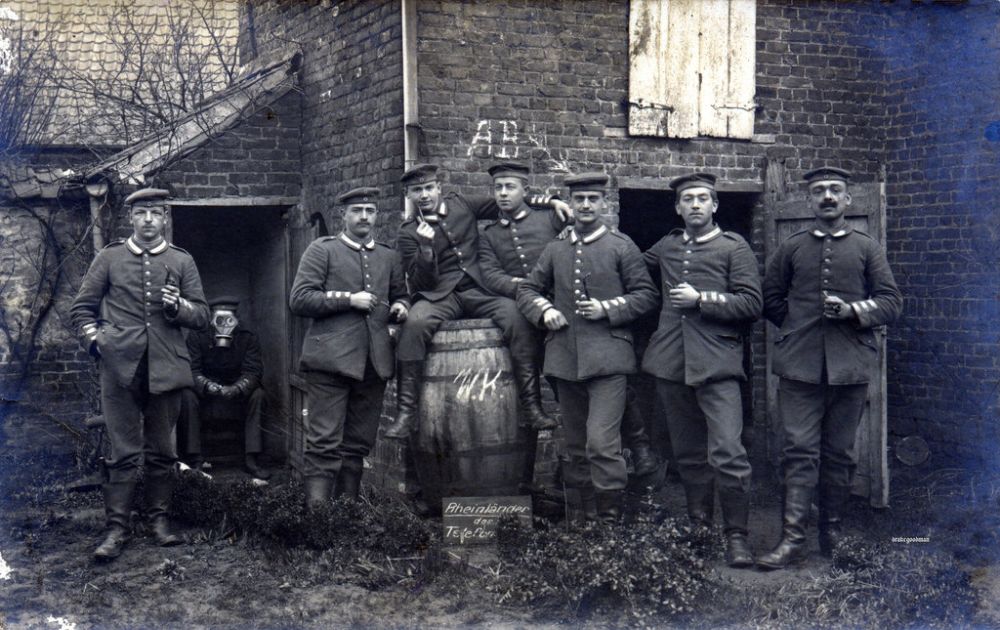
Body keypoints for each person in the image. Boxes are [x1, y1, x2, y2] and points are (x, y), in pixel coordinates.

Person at [758, 167, 902, 569]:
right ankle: (792, 540)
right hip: (799, 367)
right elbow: (770, 298)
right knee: (799, 450)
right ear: (809, 200)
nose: (827, 196)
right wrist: (796, 328)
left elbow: (891, 302)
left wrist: (854, 311)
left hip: (849, 365)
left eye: (835, 190)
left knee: (840, 453)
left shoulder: (866, 248)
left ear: (847, 200)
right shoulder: (791, 247)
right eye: (819, 190)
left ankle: (832, 534)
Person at [70, 187, 210, 561]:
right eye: (141, 214)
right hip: (120, 369)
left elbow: (202, 315)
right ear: (130, 218)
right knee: (123, 451)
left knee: (163, 450)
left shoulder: (181, 260)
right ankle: (117, 529)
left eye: (155, 213)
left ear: (165, 218)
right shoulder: (110, 257)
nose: (148, 220)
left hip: (167, 366)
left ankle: (158, 522)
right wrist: (98, 343)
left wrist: (178, 307)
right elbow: (81, 309)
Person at [383, 163, 571, 440]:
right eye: (416, 190)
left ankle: (531, 407)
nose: (424, 195)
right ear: (408, 195)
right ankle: (406, 414)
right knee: (415, 324)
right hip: (441, 295)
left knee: (517, 318)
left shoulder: (462, 205)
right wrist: (425, 248)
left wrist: (552, 201)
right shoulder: (408, 231)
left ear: (439, 187)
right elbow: (422, 283)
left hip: (480, 289)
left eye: (428, 188)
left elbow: (507, 200)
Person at [517, 173, 658, 522]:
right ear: (571, 203)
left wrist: (607, 308)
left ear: (603, 203)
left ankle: (609, 523)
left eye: (593, 199)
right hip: (565, 358)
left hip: (609, 359)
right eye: (579, 199)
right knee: (576, 445)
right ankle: (583, 521)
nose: (585, 205)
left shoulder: (621, 246)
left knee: (601, 444)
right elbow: (527, 289)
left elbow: (646, 296)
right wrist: (545, 311)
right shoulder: (556, 248)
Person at [641, 172, 761, 567]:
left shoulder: (733, 247)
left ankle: (737, 537)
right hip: (671, 362)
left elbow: (751, 304)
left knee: (728, 452)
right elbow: (628, 267)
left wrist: (701, 299)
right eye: (688, 199)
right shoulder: (668, 245)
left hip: (717, 363)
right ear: (678, 207)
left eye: (703, 198)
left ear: (715, 205)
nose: (695, 204)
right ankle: (700, 529)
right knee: (689, 454)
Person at [289, 187, 410, 507]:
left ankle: (347, 517)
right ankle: (318, 520)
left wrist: (401, 307)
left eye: (370, 211)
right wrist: (349, 300)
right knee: (323, 444)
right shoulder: (322, 250)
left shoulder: (388, 256)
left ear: (377, 215)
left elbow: (400, 294)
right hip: (330, 362)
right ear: (343, 215)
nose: (364, 217)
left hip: (374, 363)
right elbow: (299, 299)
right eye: (357, 210)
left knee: (357, 445)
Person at [178, 297, 270, 480]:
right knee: (186, 395)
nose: (225, 326)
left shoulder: (247, 337)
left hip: (236, 394)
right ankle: (195, 459)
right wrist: (207, 385)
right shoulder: (198, 335)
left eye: (230, 320)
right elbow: (191, 369)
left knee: (258, 395)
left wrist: (237, 388)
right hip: (206, 394)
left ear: (236, 320)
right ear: (211, 319)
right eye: (220, 320)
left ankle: (251, 458)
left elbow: (253, 371)